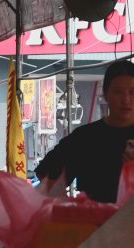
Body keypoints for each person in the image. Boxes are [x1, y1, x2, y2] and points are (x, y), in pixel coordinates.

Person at [35, 59, 134, 203]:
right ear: (106, 93)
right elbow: (45, 173)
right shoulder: (85, 138)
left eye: (132, 92)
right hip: (94, 216)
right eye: (118, 92)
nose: (126, 100)